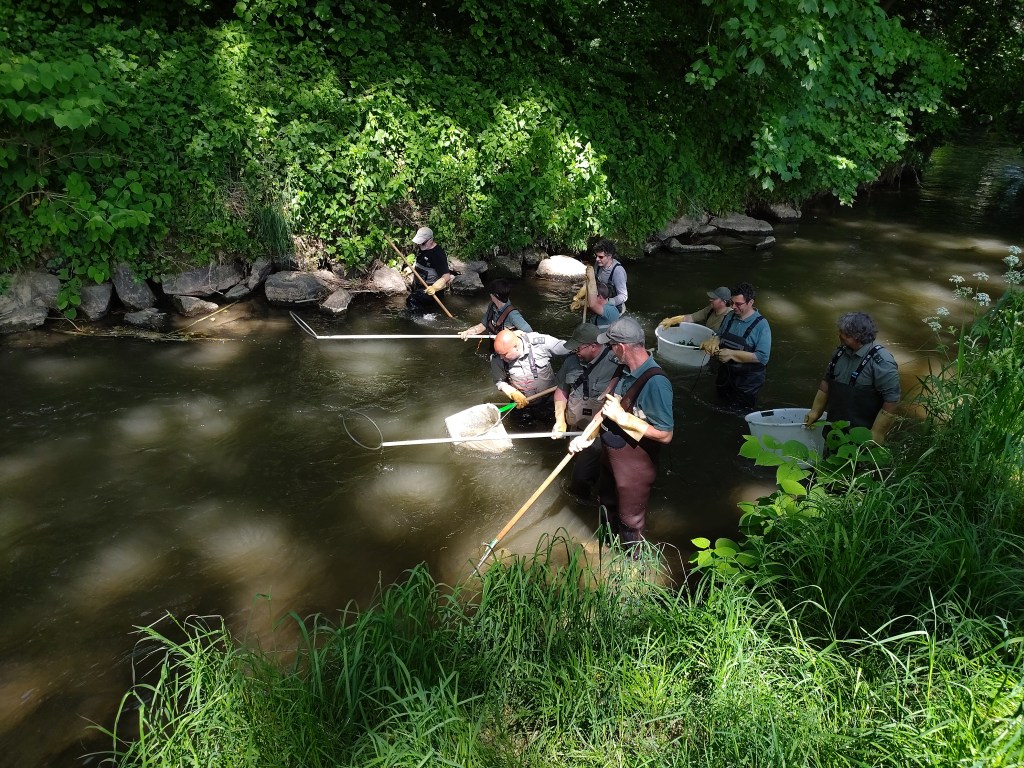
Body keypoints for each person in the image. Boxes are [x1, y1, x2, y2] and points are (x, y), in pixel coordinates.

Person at [568, 317, 673, 551]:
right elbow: (605, 408)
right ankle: (606, 551)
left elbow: (665, 434)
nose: (609, 350)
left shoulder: (656, 383)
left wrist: (623, 418)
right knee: (606, 504)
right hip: (611, 455)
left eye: (611, 345)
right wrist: (585, 437)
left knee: (629, 520)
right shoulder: (622, 368)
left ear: (622, 347)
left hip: (634, 466)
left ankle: (632, 564)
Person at [803, 312, 900, 444]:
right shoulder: (839, 353)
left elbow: (892, 401)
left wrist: (876, 433)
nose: (839, 335)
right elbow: (826, 382)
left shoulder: (882, 362)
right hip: (834, 431)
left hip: (862, 436)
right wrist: (815, 412)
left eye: (843, 333)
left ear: (856, 336)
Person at [551, 323, 621, 498]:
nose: (575, 352)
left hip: (599, 432)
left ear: (593, 346)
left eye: (578, 348)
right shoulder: (571, 361)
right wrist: (560, 420)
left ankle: (586, 505)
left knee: (580, 480)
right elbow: (561, 390)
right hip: (576, 428)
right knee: (579, 465)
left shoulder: (616, 364)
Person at [700, 282, 771, 412]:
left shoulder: (762, 325)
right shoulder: (730, 316)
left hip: (747, 381)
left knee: (738, 412)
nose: (733, 307)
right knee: (719, 404)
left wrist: (732, 354)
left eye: (738, 304)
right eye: (732, 302)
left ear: (750, 302)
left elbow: (762, 357)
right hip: (726, 373)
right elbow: (720, 334)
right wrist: (713, 341)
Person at [491, 328, 565, 409]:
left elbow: (570, 349)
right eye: (499, 354)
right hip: (522, 404)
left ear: (516, 347)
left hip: (551, 399)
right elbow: (499, 381)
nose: (501, 357)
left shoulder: (540, 343)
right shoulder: (497, 358)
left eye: (504, 354)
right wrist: (511, 392)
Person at [458, 278, 532, 340]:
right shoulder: (492, 306)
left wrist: (514, 334)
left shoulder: (512, 315)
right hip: (495, 346)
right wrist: (468, 332)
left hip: (508, 350)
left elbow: (530, 333)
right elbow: (483, 325)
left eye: (491, 293)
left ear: (495, 296)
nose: (490, 295)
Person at [405, 226, 452, 313]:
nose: (419, 245)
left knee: (412, 300)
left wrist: (434, 287)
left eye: (422, 243)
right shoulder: (423, 248)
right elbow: (422, 262)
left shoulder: (438, 254)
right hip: (419, 287)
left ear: (430, 241)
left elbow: (446, 276)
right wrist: (411, 268)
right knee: (414, 303)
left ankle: (417, 319)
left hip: (431, 291)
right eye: (418, 243)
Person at [659, 286, 733, 332]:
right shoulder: (710, 309)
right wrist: (674, 320)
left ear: (724, 302)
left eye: (714, 298)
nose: (710, 300)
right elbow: (691, 317)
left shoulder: (731, 316)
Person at [569, 265, 620, 329]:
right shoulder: (603, 303)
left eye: (593, 296)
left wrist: (592, 279)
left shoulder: (611, 311)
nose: (589, 298)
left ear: (600, 297)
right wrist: (581, 303)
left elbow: (593, 305)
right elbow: (593, 303)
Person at [593, 239, 628, 314]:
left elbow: (624, 296)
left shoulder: (618, 271)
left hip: (614, 307)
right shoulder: (598, 264)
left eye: (601, 257)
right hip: (600, 302)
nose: (597, 259)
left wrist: (606, 302)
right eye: (596, 256)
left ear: (609, 256)